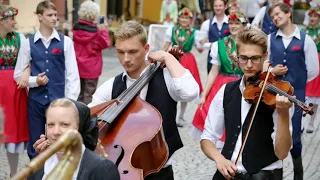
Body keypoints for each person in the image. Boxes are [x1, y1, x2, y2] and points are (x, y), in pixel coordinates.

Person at [88, 20, 199, 180]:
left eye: (132, 51)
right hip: (120, 170)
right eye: (120, 52)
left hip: (159, 171)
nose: (126, 59)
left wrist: (168, 57)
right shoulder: (111, 86)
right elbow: (88, 118)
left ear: (146, 49)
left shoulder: (166, 79)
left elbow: (190, 92)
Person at [201, 26, 293, 180]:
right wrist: (219, 159)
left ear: (265, 56)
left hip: (264, 175)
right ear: (237, 57)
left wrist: (283, 114)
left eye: (255, 58)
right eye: (243, 58)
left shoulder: (275, 94)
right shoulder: (226, 91)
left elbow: (282, 152)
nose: (249, 65)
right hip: (228, 174)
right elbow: (207, 138)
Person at [14, 1, 80, 159]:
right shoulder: (27, 43)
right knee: (35, 146)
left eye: (55, 15)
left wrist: (70, 102)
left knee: (59, 144)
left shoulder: (66, 42)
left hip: (58, 102)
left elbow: (73, 75)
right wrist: (34, 81)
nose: (54, 18)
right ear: (40, 17)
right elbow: (18, 75)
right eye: (50, 15)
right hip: (35, 103)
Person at [267, 3, 319, 179]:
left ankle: (298, 173)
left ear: (288, 13)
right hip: (274, 96)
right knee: (274, 136)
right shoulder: (270, 39)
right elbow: (265, 65)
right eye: (272, 16)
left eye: (278, 14)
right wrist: (273, 71)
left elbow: (312, 70)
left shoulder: (305, 40)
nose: (275, 18)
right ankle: (277, 175)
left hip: (297, 97)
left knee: (295, 138)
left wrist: (297, 81)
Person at [27, 98, 120, 180]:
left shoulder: (102, 169)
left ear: (78, 127)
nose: (56, 132)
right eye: (51, 125)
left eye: (65, 125)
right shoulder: (37, 168)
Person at [191, 12, 247, 143]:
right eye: (231, 23)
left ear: (244, 25)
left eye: (237, 23)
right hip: (223, 84)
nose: (233, 26)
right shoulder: (219, 44)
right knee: (218, 116)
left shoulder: (249, 44)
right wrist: (204, 95)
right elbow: (214, 71)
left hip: (243, 84)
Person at [0, 5, 30, 177]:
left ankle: (13, 174)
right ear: (2, 21)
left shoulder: (20, 38)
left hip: (14, 89)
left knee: (13, 133)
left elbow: (28, 60)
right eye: (11, 19)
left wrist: (26, 71)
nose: (15, 22)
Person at [163, 7, 203, 127]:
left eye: (187, 18)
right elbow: (165, 46)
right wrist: (161, 56)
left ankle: (181, 116)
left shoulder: (194, 33)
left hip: (187, 60)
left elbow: (199, 49)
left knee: (183, 87)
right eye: (182, 17)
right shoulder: (172, 30)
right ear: (178, 18)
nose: (184, 20)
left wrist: (205, 44)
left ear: (190, 19)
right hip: (173, 58)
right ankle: (171, 115)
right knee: (171, 86)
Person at [73, 0, 110, 105]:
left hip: (78, 66)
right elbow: (105, 44)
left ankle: (77, 115)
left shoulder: (76, 28)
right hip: (92, 68)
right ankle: (86, 117)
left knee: (79, 94)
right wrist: (104, 30)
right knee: (89, 95)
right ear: (93, 16)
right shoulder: (96, 31)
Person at [199, 0, 230, 73]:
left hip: (228, 59)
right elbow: (201, 43)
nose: (217, 8)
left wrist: (212, 44)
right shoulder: (206, 24)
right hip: (212, 59)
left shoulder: (231, 23)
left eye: (220, 6)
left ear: (225, 7)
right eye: (215, 6)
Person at [302, 7, 320, 133]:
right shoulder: (303, 31)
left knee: (315, 96)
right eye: (311, 16)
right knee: (304, 95)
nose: (313, 19)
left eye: (315, 16)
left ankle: (312, 122)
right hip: (305, 63)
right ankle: (302, 122)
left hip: (318, 63)